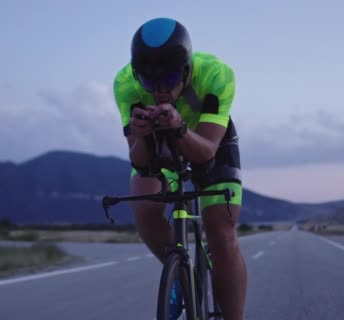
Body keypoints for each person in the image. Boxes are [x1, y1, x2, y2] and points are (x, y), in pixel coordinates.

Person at [113, 17, 247, 320]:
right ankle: (181, 269)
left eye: (170, 79)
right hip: (159, 138)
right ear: (137, 74)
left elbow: (207, 153)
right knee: (144, 210)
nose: (159, 90)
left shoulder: (216, 74)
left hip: (208, 137)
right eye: (149, 82)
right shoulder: (125, 83)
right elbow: (139, 160)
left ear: (186, 70)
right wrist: (144, 135)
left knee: (222, 233)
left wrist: (181, 127)